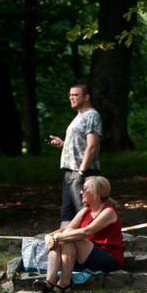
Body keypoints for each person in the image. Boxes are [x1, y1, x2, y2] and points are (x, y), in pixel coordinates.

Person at [33, 176, 123, 293]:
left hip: (108, 258)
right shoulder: (85, 211)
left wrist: (56, 237)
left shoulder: (109, 211)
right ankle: (49, 281)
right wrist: (48, 237)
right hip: (86, 256)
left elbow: (85, 232)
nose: (81, 192)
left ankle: (64, 283)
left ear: (96, 192)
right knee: (65, 236)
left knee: (68, 235)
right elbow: (65, 229)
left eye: (85, 189)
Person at [47, 83, 102, 228]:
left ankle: (91, 248)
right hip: (70, 172)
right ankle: (63, 247)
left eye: (75, 95)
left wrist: (81, 171)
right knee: (67, 213)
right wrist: (64, 144)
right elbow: (81, 144)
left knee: (84, 212)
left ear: (86, 97)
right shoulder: (79, 116)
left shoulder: (92, 115)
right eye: (70, 95)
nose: (71, 98)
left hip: (82, 172)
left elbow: (92, 146)